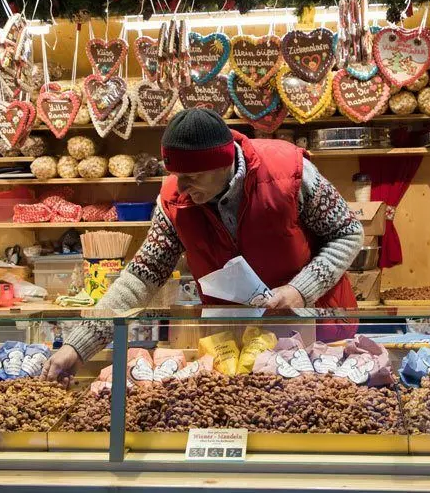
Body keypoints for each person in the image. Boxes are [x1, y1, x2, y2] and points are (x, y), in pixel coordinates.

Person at [42, 108, 363, 382]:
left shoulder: (289, 173)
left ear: (223, 165)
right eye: (175, 174)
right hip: (236, 344)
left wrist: (299, 290)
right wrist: (77, 345)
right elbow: (139, 278)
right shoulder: (174, 201)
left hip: (316, 330)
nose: (180, 186)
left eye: (191, 176)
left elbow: (347, 234)